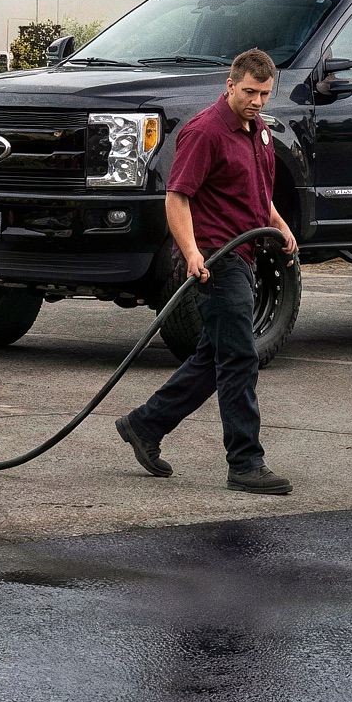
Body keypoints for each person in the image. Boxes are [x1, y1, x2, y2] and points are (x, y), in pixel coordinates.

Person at [115, 45, 297, 495]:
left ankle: (145, 425)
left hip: (246, 252)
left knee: (214, 357)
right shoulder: (205, 132)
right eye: (250, 92)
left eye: (265, 94)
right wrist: (191, 252)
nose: (257, 102)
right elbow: (176, 196)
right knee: (239, 358)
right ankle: (245, 463)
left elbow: (253, 191)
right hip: (217, 259)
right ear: (230, 85)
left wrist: (277, 223)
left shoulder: (259, 132)